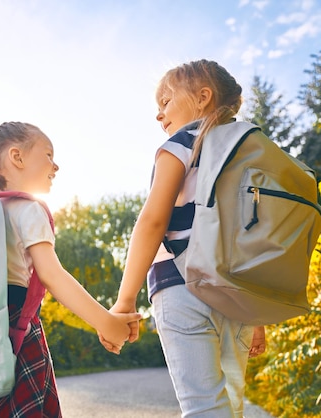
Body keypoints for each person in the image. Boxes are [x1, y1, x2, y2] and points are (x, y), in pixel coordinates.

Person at [0, 121, 141, 417]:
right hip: (15, 329)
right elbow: (52, 275)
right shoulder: (29, 208)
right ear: (17, 157)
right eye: (48, 155)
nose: (56, 165)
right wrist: (105, 322)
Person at [103, 60, 266, 418]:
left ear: (202, 98)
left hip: (180, 285)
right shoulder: (250, 152)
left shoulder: (181, 144)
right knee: (230, 403)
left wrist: (125, 301)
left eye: (165, 101)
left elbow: (153, 221)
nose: (159, 116)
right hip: (237, 295)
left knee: (203, 405)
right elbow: (252, 236)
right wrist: (257, 316)